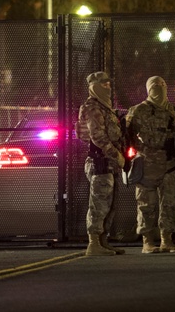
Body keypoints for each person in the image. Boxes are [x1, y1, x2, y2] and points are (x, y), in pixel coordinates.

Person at [125, 76, 175, 254]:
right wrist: (136, 152)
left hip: (169, 164)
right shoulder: (137, 111)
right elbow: (127, 137)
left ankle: (167, 239)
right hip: (147, 165)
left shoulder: (174, 111)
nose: (159, 88)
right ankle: (147, 241)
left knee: (170, 203)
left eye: (162, 85)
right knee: (146, 204)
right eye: (154, 86)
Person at [76, 71, 126, 256]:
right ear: (94, 86)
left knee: (109, 203)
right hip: (100, 161)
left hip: (108, 163)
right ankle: (94, 243)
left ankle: (103, 241)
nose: (108, 87)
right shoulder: (92, 107)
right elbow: (98, 137)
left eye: (108, 84)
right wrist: (116, 155)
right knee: (99, 203)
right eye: (103, 84)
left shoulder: (106, 108)